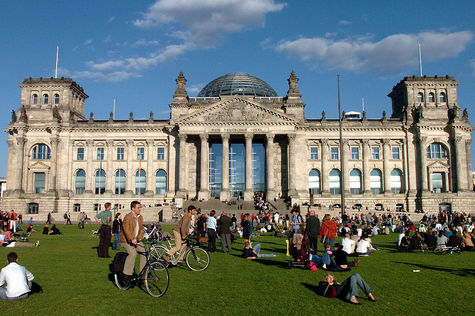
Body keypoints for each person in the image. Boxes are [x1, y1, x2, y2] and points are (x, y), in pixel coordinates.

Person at [121, 201, 145, 281]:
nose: (140, 209)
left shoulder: (140, 217)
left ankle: (143, 273)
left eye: (140, 207)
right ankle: (127, 274)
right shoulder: (128, 217)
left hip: (136, 240)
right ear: (133, 208)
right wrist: (131, 239)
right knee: (133, 253)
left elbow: (141, 229)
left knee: (144, 252)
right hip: (126, 241)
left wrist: (139, 238)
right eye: (138, 207)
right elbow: (126, 229)